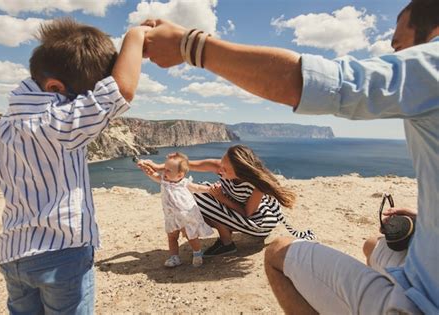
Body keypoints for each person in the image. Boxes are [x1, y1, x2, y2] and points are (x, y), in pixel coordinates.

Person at [141, 0, 439, 313]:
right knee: (369, 245)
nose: (395, 57)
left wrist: (189, 46)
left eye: (400, 45)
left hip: (422, 301)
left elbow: (320, 83)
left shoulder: (431, 64)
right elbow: (205, 165)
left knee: (277, 255)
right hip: (426, 262)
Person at [0, 18, 150, 313]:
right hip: (62, 253)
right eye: (78, 99)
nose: (80, 106)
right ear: (55, 87)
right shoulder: (57, 124)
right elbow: (121, 91)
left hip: (13, 255)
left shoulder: (5, 125)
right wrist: (135, 35)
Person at [143, 145, 314, 257]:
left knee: (202, 197)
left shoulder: (255, 186)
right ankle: (224, 233)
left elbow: (247, 212)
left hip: (258, 220)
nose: (220, 169)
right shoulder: (221, 166)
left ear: (240, 172)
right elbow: (187, 166)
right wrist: (157, 167)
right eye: (221, 164)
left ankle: (227, 244)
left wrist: (221, 198)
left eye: (225, 169)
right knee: (198, 192)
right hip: (234, 207)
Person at [137, 152, 213, 267]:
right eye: (165, 168)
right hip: (171, 216)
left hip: (186, 215)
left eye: (168, 170)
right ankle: (174, 257)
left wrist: (209, 189)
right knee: (172, 237)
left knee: (191, 236)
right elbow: (153, 174)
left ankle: (197, 254)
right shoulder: (164, 180)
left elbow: (197, 188)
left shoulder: (184, 183)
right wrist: (145, 167)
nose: (164, 172)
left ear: (180, 175)